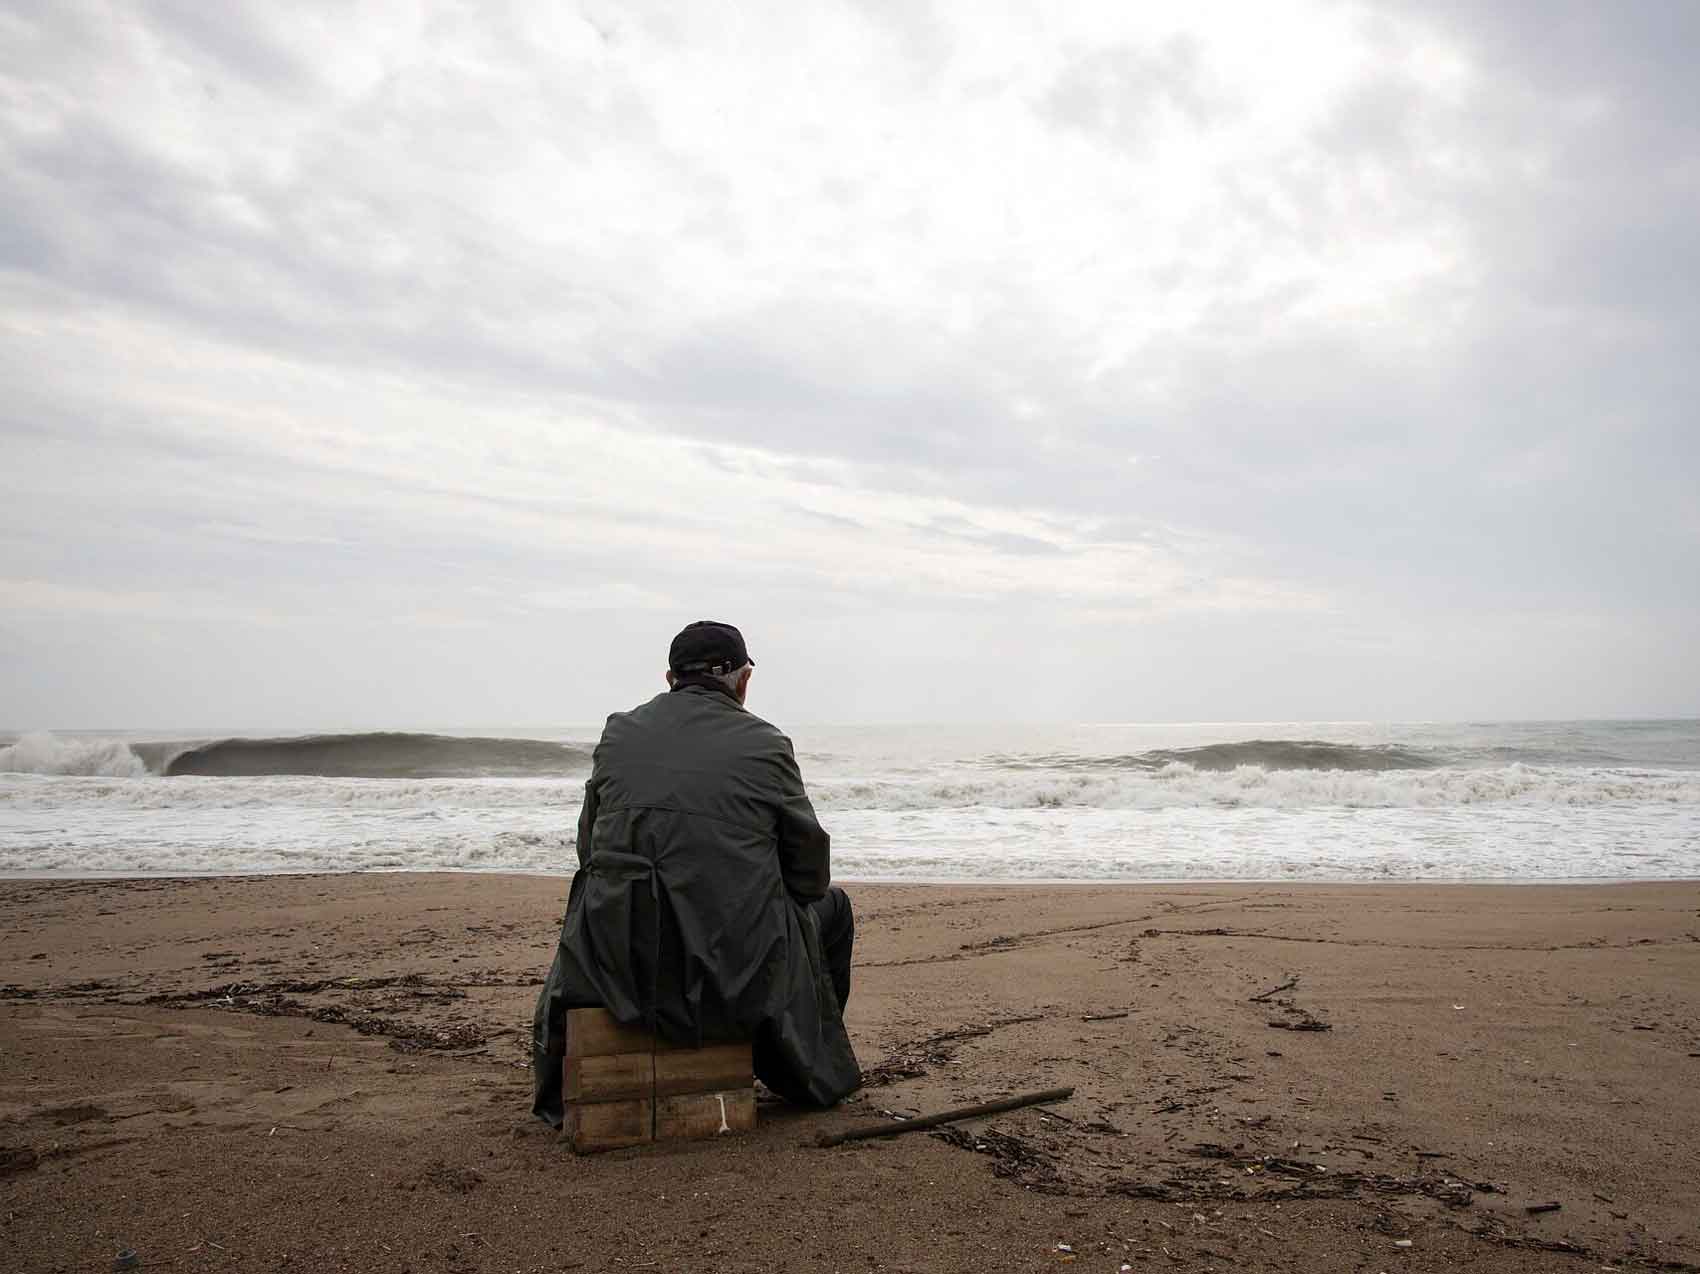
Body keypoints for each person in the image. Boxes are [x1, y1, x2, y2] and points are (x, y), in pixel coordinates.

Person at [531, 620, 861, 1125]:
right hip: (730, 971)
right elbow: (809, 874)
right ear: (743, 680)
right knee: (832, 909)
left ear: (669, 678)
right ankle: (804, 1067)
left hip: (615, 965)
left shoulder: (619, 731)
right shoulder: (766, 743)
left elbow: (589, 851)